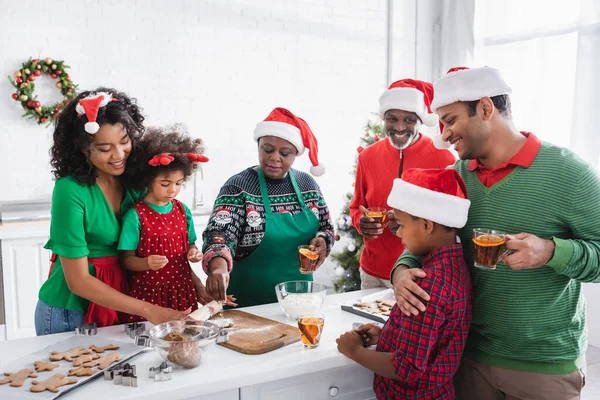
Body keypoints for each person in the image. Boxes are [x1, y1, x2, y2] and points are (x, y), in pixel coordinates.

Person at [391, 66, 600, 399]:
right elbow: (422, 236)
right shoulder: (454, 177)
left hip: (544, 367)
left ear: (486, 109)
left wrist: (550, 251)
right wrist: (401, 271)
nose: (443, 135)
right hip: (469, 359)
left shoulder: (569, 174)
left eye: (450, 120)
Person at [35, 89, 189, 335]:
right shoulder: (70, 190)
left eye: (124, 141)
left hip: (125, 302)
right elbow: (78, 281)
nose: (119, 155)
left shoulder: (137, 183)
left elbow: (163, 243)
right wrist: (149, 310)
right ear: (83, 149)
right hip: (70, 312)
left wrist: (196, 284)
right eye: (105, 148)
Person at [337, 168, 472, 400]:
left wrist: (354, 351)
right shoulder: (454, 265)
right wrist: (388, 334)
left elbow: (406, 368)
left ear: (427, 225)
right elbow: (431, 337)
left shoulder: (427, 283)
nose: (398, 233)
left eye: (401, 225)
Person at [202, 107, 335, 307]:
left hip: (299, 301)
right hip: (248, 303)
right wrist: (218, 268)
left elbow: (326, 228)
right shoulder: (238, 187)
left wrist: (323, 240)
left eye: (285, 153)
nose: (275, 158)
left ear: (295, 154)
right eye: (268, 149)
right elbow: (219, 234)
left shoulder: (308, 185)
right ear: (258, 146)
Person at [118, 125, 232, 322]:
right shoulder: (136, 215)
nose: (173, 190)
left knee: (182, 338)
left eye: (178, 183)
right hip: (149, 296)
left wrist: (193, 252)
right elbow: (126, 260)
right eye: (165, 183)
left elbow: (189, 245)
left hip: (182, 291)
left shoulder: (182, 211)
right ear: (148, 179)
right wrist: (145, 263)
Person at [350, 79, 455, 289]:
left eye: (409, 120)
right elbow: (356, 206)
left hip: (418, 272)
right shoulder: (367, 157)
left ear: (421, 120)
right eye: (392, 119)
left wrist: (411, 224)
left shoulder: (444, 159)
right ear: (384, 119)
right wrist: (361, 222)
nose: (399, 127)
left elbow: (451, 223)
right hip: (372, 271)